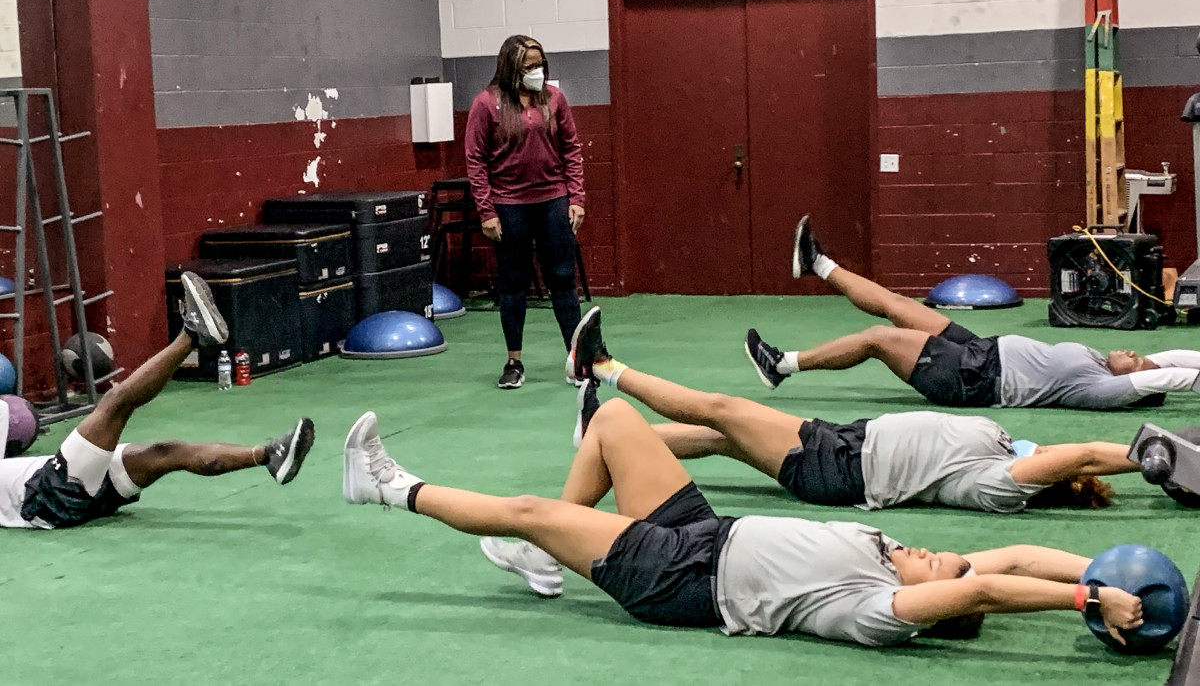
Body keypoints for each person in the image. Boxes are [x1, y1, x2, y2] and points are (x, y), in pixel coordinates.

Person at [341, 401, 1144, 647]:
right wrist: (1097, 572)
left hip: (681, 579)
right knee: (615, 423)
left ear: (934, 605)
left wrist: (1084, 604)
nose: (938, 553)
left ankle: (387, 486)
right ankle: (547, 557)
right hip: (706, 529)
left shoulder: (883, 608)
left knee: (530, 511)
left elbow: (989, 589)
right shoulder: (900, 559)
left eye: (942, 567)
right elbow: (1013, 558)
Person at [563, 306, 1139, 512]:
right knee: (721, 437)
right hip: (845, 444)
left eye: (1052, 461)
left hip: (836, 467)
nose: (1049, 450)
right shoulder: (1001, 447)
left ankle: (603, 367)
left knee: (721, 410)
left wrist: (1158, 455)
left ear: (1049, 478)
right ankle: (600, 439)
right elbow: (1074, 456)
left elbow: (1084, 454)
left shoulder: (1001, 486)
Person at [742, 215, 1200, 410]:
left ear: (1130, 386)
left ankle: (780, 365)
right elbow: (1176, 361)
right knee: (898, 306)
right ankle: (818, 263)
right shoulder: (1103, 366)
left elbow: (1172, 378)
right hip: (982, 351)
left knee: (877, 339)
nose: (1135, 355)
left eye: (1138, 363)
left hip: (972, 379)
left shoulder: (1100, 388)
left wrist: (1163, 377)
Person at [0, 272, 314, 529]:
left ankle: (270, 456)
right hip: (51, 491)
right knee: (116, 402)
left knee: (166, 452)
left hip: (72, 488)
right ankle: (192, 334)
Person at [465, 34, 586, 390]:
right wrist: (486, 210)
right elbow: (475, 159)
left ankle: (577, 358)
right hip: (508, 204)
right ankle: (514, 362)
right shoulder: (486, 104)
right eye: (528, 66)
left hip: (553, 200)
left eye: (539, 64)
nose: (537, 71)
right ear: (510, 68)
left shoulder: (554, 99)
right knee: (513, 283)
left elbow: (571, 149)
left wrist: (576, 198)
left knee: (562, 279)